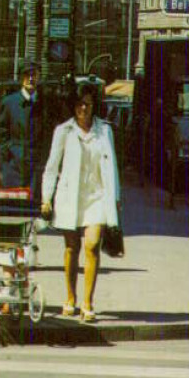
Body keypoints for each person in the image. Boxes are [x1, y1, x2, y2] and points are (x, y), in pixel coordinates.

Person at [41, 80, 120, 323]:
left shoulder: (104, 130)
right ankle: (70, 297)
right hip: (69, 196)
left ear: (94, 104)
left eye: (87, 104)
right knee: (71, 249)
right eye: (78, 104)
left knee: (92, 245)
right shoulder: (63, 131)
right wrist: (47, 197)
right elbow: (52, 167)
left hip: (96, 196)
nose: (83, 109)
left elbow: (113, 166)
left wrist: (116, 199)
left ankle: (88, 301)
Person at [0, 62, 46, 197]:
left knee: (34, 204)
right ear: (21, 78)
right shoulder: (9, 102)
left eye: (34, 75)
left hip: (37, 165)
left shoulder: (45, 103)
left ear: (39, 77)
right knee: (14, 203)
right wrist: (9, 152)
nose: (31, 78)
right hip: (13, 164)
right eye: (27, 75)